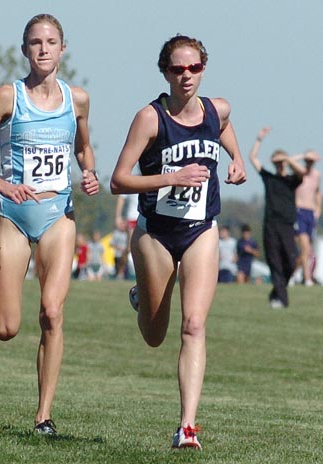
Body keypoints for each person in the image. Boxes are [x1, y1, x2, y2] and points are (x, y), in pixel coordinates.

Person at [0, 13, 98, 436]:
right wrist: (4, 184)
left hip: (60, 216)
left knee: (52, 313)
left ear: (62, 49)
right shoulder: (8, 96)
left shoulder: (78, 100)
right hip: (13, 217)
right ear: (25, 50)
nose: (43, 49)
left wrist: (89, 172)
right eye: (35, 42)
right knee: (7, 329)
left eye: (51, 41)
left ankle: (44, 416)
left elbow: (84, 149)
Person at [110, 34, 246, 449]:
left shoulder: (216, 109)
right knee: (155, 333)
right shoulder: (150, 118)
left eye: (194, 68)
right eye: (177, 69)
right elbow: (118, 180)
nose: (186, 76)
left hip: (202, 229)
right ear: (165, 72)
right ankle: (143, 293)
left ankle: (187, 426)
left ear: (203, 68)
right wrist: (172, 177)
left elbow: (224, 127)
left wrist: (237, 159)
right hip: (156, 233)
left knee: (194, 325)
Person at [249, 127, 306, 308]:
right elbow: (253, 159)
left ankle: (276, 293)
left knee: (290, 261)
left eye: (283, 162)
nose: (281, 165)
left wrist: (288, 158)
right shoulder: (269, 178)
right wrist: (259, 139)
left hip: (288, 225)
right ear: (275, 164)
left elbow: (302, 172)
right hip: (271, 225)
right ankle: (281, 300)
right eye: (278, 162)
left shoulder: (292, 180)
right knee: (274, 262)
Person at [293, 150, 321, 286]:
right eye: (307, 160)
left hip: (311, 213)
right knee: (305, 247)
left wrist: (318, 209)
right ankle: (307, 278)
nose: (309, 163)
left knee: (308, 250)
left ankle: (291, 274)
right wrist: (302, 155)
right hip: (299, 211)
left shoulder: (316, 175)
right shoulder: (299, 173)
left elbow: (317, 193)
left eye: (312, 161)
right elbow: (289, 160)